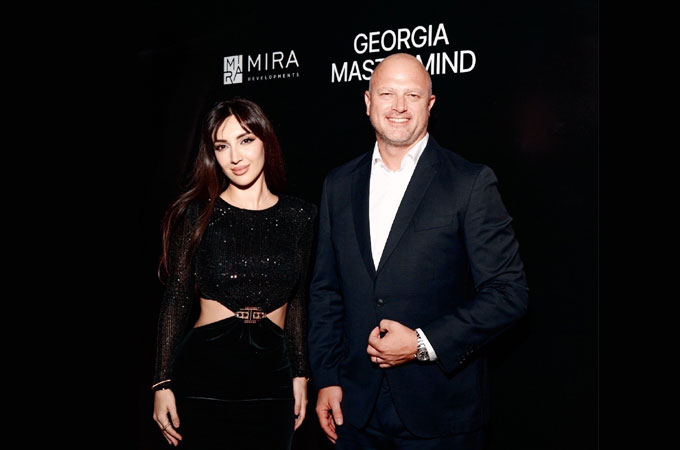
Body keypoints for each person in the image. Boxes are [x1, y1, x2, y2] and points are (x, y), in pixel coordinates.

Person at [307, 53, 529, 449]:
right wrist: (326, 377)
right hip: (354, 411)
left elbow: (508, 294)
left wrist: (423, 344)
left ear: (430, 104)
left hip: (441, 413)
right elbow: (326, 291)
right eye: (387, 94)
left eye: (412, 95)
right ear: (368, 102)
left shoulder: (469, 183)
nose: (399, 106)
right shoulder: (338, 184)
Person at [151, 97, 317, 449]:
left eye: (245, 140)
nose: (235, 157)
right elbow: (177, 297)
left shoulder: (300, 216)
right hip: (205, 372)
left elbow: (298, 299)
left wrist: (301, 372)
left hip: (273, 374)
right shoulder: (197, 215)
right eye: (222, 146)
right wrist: (161, 382)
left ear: (265, 140)